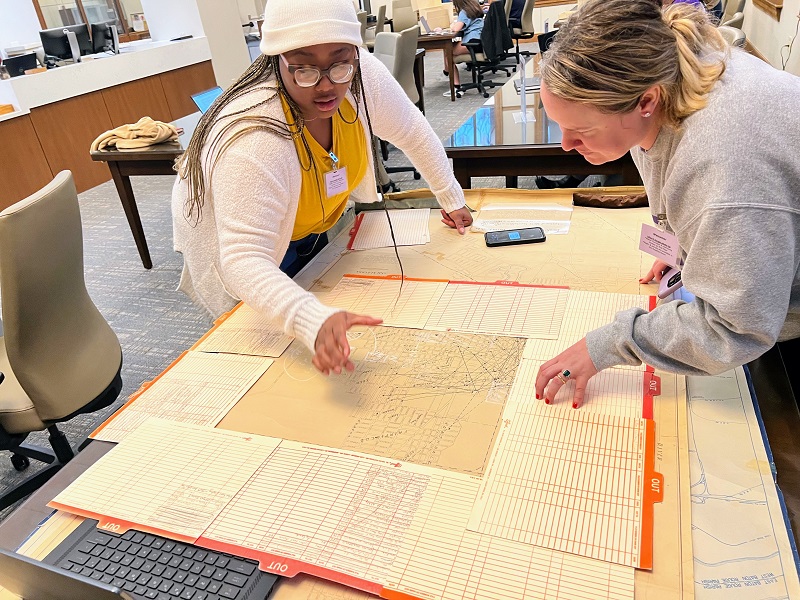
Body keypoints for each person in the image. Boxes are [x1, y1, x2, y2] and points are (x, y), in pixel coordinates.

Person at [172, 0, 473, 376]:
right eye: (304, 68)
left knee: (314, 284)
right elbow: (244, 258)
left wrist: (450, 196)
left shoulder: (362, 76)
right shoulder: (255, 135)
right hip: (242, 237)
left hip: (309, 221)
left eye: (340, 62)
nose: (328, 84)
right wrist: (306, 316)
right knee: (267, 358)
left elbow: (412, 132)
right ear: (277, 59)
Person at [533, 0, 800, 408]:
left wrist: (610, 344)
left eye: (582, 129)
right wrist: (685, 242)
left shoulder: (723, 165)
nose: (566, 145)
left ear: (646, 101)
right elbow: (669, 168)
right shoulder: (667, 74)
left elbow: (736, 328)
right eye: (561, 126)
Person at [442, 0, 485, 88]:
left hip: (472, 43)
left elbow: (456, 29)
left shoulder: (465, 12)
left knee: (447, 51)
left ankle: (455, 83)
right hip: (480, 42)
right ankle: (447, 70)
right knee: (448, 48)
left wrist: (451, 26)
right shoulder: (474, 8)